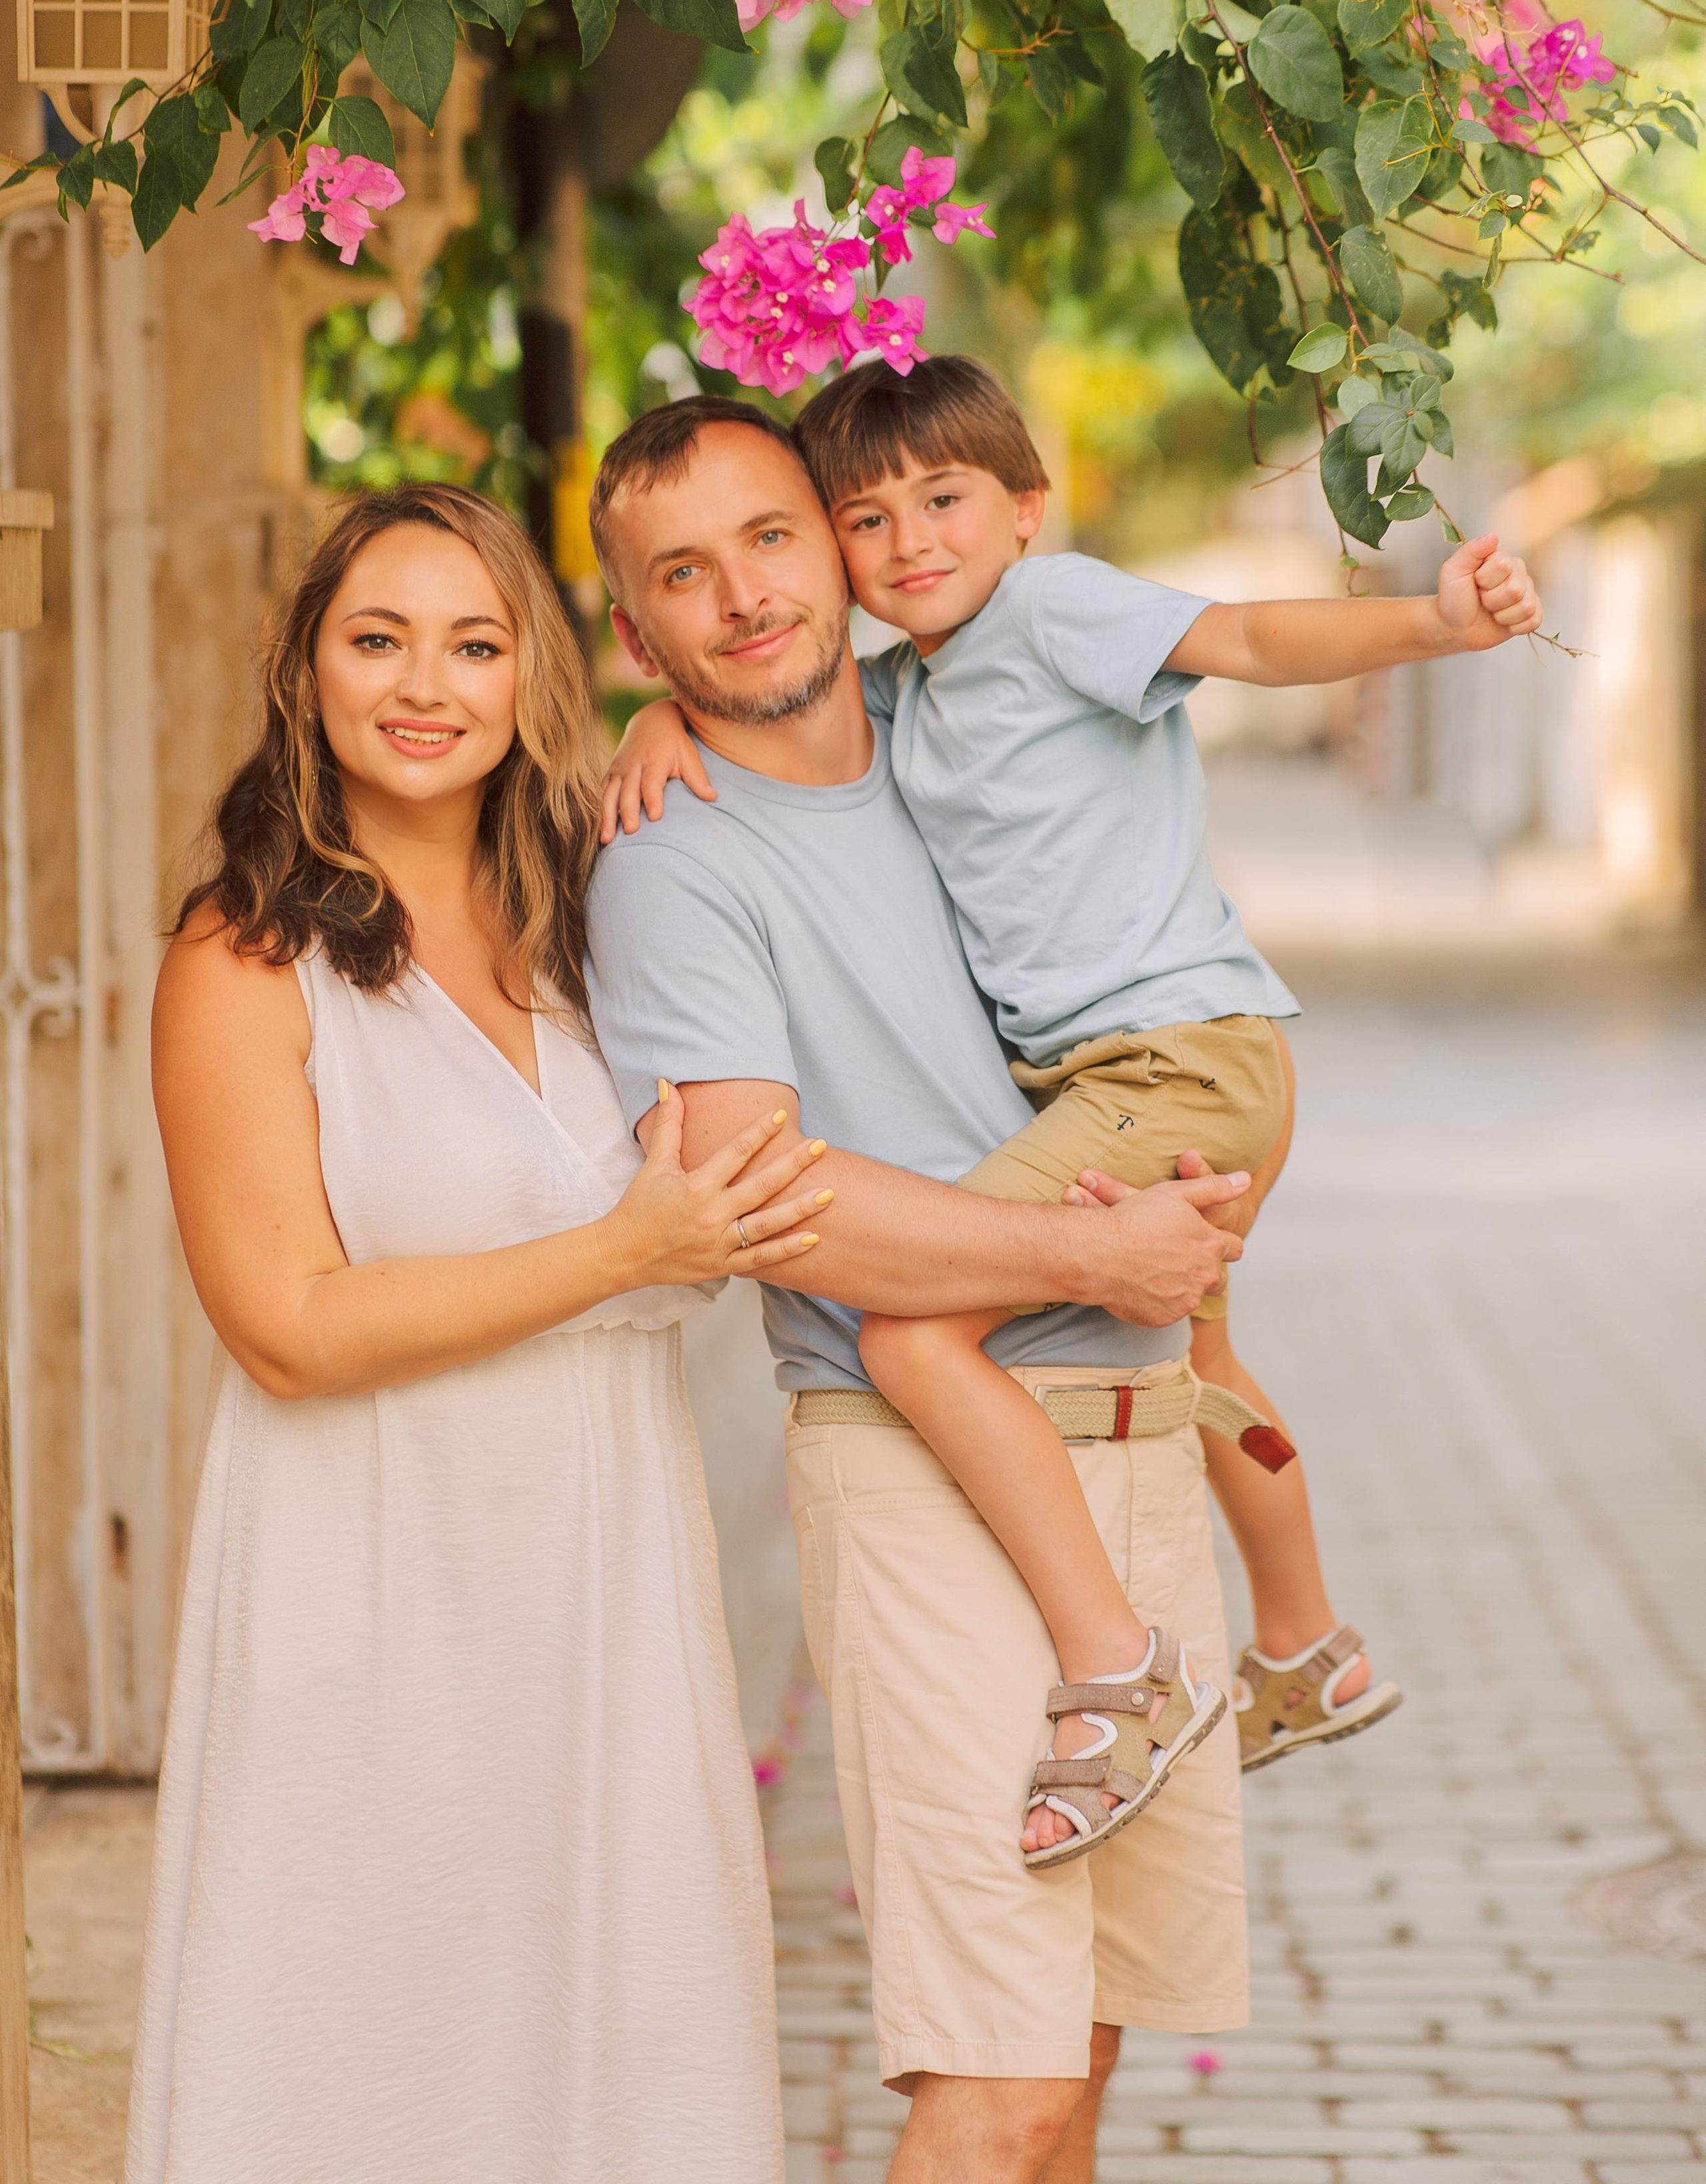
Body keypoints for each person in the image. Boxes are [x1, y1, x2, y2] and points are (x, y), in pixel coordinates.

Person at [603, 357, 1543, 1869]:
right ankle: (1306, 1645)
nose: (908, 541)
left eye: (945, 499)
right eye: (864, 516)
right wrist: (661, 721)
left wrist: (1430, 625)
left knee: (910, 1332)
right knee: (1206, 1352)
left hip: (1174, 1059)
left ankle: (1115, 1665)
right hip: (1149, 1072)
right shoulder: (904, 688)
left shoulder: (1049, 617)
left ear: (1024, 507)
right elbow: (767, 694)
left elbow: (1242, 634)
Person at [125, 483, 832, 2184]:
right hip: (369, 1572)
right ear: (305, 670)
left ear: (531, 675)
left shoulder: (606, 909)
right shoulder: (245, 959)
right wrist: (618, 1251)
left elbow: (845, 785)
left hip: (602, 1567)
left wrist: (677, 708)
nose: (423, 684)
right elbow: (285, 1325)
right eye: (377, 640)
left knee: (617, 2031)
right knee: (365, 2038)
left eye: (473, 642)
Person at [584, 397, 1256, 2184]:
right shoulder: (672, 858)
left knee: (1083, 2061)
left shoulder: (954, 728)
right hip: (920, 1462)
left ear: (839, 541)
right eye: (680, 578)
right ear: (637, 628)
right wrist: (1093, 1253)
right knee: (996, 2078)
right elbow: (764, 1208)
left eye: (770, 539)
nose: (739, 601)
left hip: (1126, 1427)